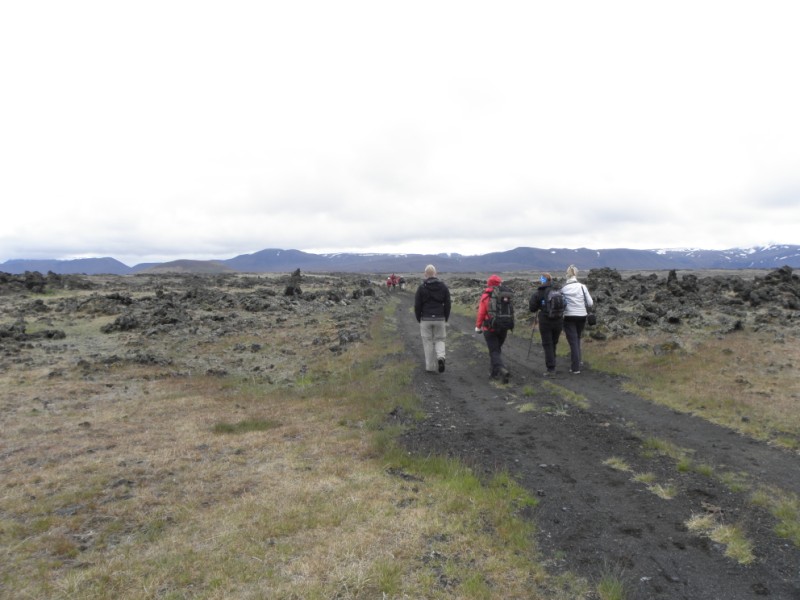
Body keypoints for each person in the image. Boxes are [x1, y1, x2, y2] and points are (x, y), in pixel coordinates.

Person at [414, 264, 451, 373]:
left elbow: (417, 305)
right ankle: (441, 357)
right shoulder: (443, 287)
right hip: (440, 318)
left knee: (427, 342)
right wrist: (445, 317)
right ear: (436, 273)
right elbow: (448, 304)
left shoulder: (421, 288)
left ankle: (430, 367)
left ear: (425, 274)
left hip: (425, 318)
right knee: (440, 339)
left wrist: (419, 318)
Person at [475, 274, 511, 383]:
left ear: (489, 284)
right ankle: (494, 373)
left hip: (490, 328)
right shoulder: (506, 295)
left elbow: (481, 313)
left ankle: (501, 369)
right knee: (496, 349)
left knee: (494, 351)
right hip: (503, 327)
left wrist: (478, 326)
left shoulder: (486, 296)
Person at [528, 272, 563, 376]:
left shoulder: (539, 291)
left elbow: (532, 308)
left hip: (545, 321)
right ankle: (553, 364)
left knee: (547, 344)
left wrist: (540, 306)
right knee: (554, 342)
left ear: (542, 280)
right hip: (558, 319)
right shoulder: (558, 289)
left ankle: (551, 369)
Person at [561, 264, 594, 374]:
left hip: (568, 317)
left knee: (573, 341)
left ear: (567, 275)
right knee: (577, 338)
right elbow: (590, 303)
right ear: (576, 274)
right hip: (582, 316)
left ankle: (575, 367)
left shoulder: (564, 288)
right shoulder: (582, 287)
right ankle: (578, 361)